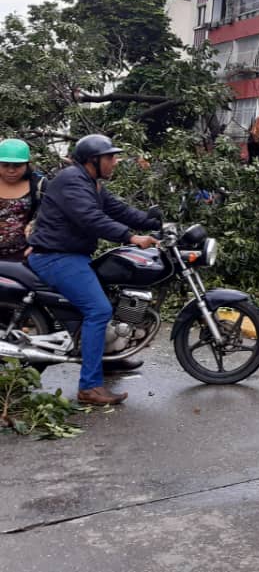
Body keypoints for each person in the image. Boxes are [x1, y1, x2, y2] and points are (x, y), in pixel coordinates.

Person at [28, 135, 162, 406]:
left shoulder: (91, 183)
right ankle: (89, 387)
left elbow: (118, 209)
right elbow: (92, 219)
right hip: (57, 257)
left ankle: (109, 360)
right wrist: (131, 237)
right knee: (98, 310)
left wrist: (152, 220)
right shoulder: (72, 181)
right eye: (110, 158)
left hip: (72, 255)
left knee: (109, 302)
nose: (115, 162)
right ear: (93, 160)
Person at [0, 138, 46, 261]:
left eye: (17, 166)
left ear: (27, 164)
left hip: (22, 255)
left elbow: (52, 214)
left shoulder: (39, 185)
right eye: (5, 165)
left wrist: (35, 225)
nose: (11, 170)